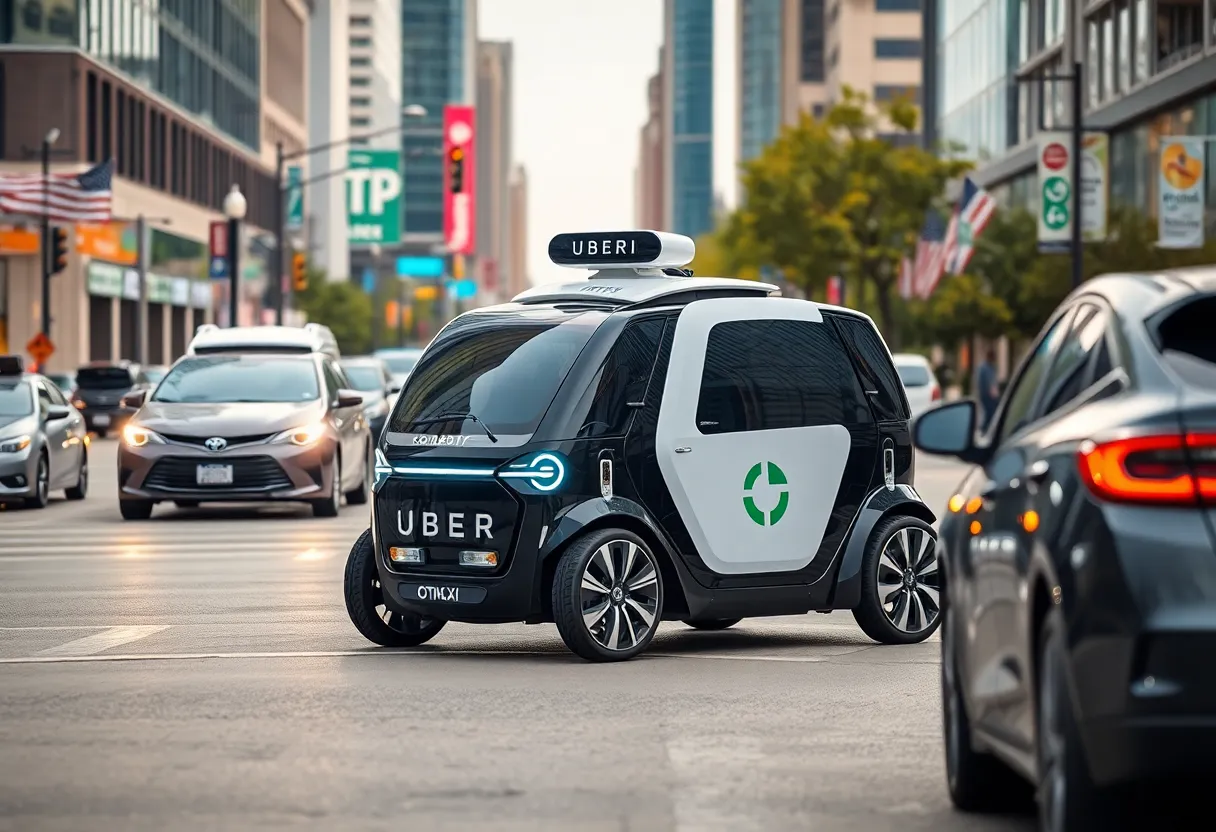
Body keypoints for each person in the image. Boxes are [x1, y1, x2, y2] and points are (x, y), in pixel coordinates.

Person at [976, 348, 1000, 431]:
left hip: (988, 395)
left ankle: (984, 429)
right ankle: (984, 429)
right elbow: (989, 383)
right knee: (990, 414)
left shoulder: (988, 367)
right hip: (987, 395)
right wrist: (994, 394)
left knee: (990, 414)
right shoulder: (985, 368)